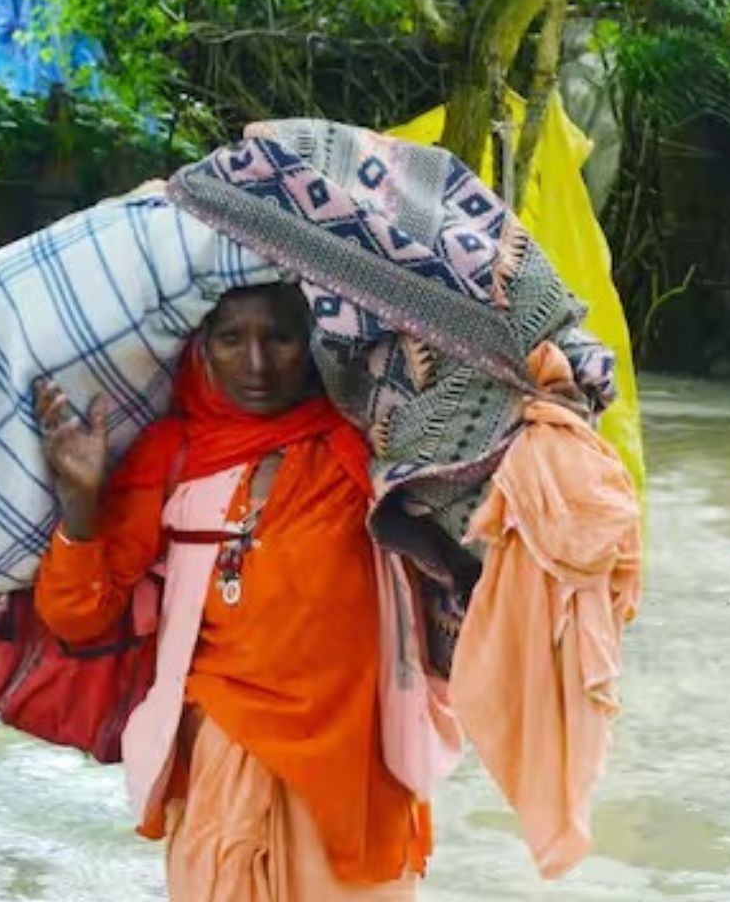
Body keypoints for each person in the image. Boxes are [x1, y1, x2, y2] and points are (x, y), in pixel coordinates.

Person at [31, 282, 454, 900]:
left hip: (355, 771)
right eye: (232, 339)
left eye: (279, 338)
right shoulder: (172, 455)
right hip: (221, 760)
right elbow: (77, 618)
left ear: (312, 345)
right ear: (203, 346)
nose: (256, 364)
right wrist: (81, 504)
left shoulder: (364, 449)